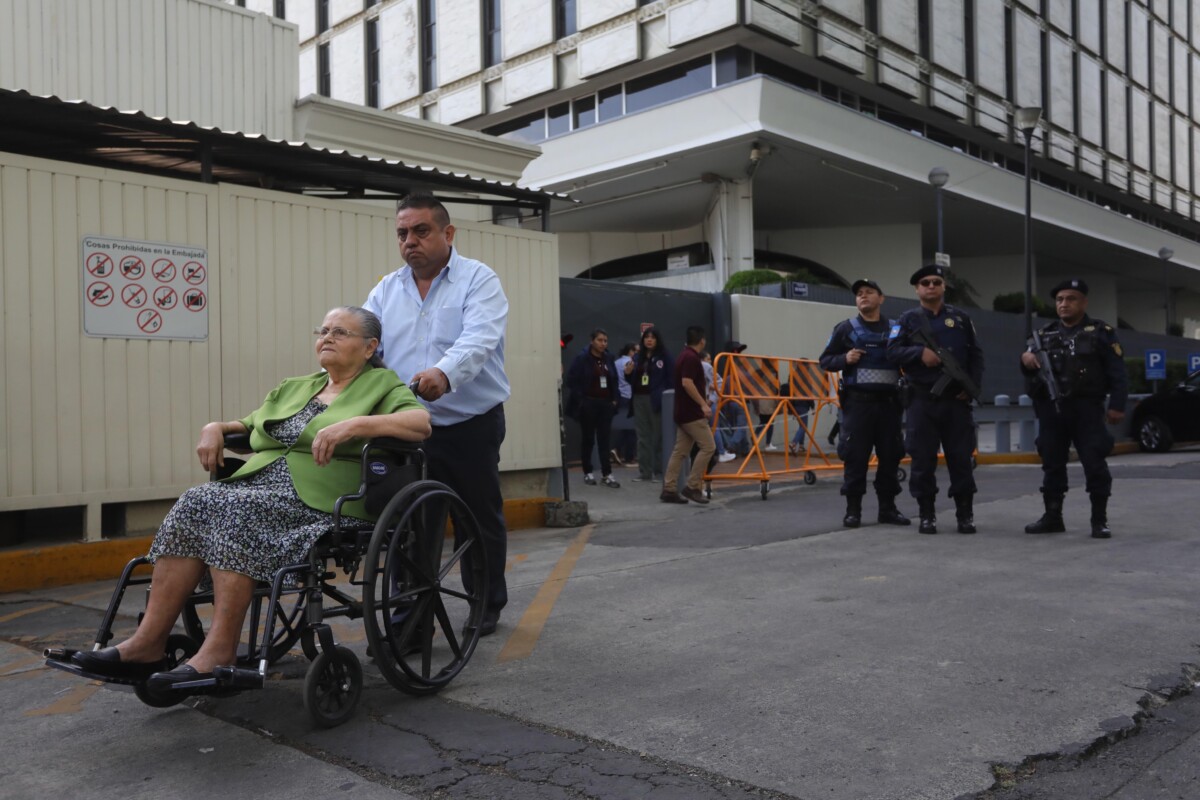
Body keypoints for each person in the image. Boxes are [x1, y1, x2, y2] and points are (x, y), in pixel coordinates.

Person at [71, 307, 430, 686]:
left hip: (324, 499)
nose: (327, 337)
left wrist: (356, 424)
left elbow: (420, 423)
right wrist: (215, 427)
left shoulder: (384, 386)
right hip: (259, 484)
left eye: (340, 332)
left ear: (369, 346)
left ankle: (220, 649)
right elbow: (250, 425)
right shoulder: (296, 386)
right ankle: (148, 641)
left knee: (235, 508)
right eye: (322, 330)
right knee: (196, 499)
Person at [364, 192, 510, 637]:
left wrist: (444, 375)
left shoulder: (478, 281)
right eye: (402, 233)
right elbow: (367, 342)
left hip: (469, 423)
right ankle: (412, 622)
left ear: (448, 233)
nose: (410, 241)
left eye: (421, 231)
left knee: (476, 516)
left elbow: (479, 340)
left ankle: (485, 601)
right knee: (412, 526)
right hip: (409, 428)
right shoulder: (386, 290)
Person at [1020, 279, 1127, 538]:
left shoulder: (1101, 332)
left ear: (1084, 302)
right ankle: (1053, 517)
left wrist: (1117, 405)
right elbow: (1028, 371)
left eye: (1071, 299)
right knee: (1052, 463)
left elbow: (1118, 372)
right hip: (1052, 409)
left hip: (1086, 408)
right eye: (1060, 300)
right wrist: (1026, 359)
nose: (1064, 304)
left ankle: (1099, 520)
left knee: (1094, 462)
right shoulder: (1044, 334)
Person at [886, 265, 984, 534]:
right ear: (917, 289)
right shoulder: (907, 320)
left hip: (956, 401)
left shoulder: (961, 319)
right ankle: (926, 513)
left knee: (961, 458)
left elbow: (975, 355)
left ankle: (965, 513)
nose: (931, 286)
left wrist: (972, 386)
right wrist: (920, 354)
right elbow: (892, 353)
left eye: (936, 282)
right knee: (922, 459)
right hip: (922, 400)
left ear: (943, 287)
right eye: (925, 282)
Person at [819, 279, 910, 528]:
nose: (863, 296)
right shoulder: (845, 329)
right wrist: (844, 358)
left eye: (869, 292)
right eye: (859, 293)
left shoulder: (896, 330)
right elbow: (825, 360)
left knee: (890, 457)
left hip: (890, 406)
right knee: (855, 458)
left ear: (881, 298)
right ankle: (853, 511)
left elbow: (911, 358)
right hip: (858, 406)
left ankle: (888, 510)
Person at [661, 326, 717, 505]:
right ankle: (693, 486)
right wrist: (703, 404)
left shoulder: (683, 356)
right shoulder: (692, 358)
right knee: (709, 447)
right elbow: (687, 382)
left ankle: (669, 489)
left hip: (682, 411)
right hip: (692, 413)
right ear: (702, 340)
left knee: (680, 451)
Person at [565, 328, 621, 488]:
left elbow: (614, 379)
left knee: (604, 439)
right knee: (588, 438)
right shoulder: (583, 358)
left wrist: (615, 400)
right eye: (600, 340)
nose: (603, 343)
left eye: (605, 340)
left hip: (606, 404)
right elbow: (571, 380)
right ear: (592, 341)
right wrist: (581, 399)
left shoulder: (608, 358)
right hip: (588, 403)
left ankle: (607, 474)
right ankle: (588, 472)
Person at [631, 326, 672, 481]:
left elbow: (671, 378)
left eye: (652, 337)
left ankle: (659, 471)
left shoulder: (664, 356)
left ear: (657, 340)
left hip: (657, 400)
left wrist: (666, 397)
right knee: (642, 436)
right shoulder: (638, 357)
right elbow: (633, 378)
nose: (649, 340)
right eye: (646, 337)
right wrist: (628, 374)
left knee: (658, 436)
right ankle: (645, 472)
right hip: (639, 398)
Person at [701, 351, 736, 463]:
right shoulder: (703, 366)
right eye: (708, 359)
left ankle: (720, 451)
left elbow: (718, 382)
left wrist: (711, 399)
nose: (710, 362)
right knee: (714, 428)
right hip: (706, 402)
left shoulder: (702, 367)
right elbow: (719, 382)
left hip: (705, 402)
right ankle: (720, 452)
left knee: (713, 428)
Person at [612, 343, 639, 464]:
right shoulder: (631, 362)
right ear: (631, 351)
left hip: (620, 396)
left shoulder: (616, 362)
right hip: (629, 396)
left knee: (623, 427)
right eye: (636, 351)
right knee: (631, 428)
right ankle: (629, 456)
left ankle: (616, 449)